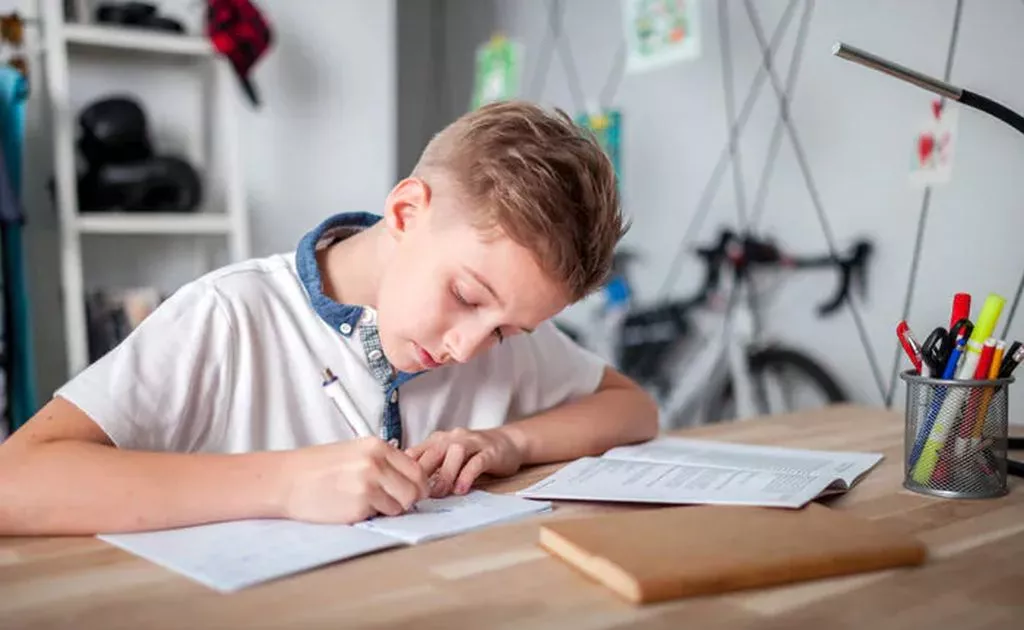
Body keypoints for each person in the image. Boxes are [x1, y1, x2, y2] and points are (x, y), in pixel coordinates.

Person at [0, 101, 659, 535]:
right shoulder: (230, 316)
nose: (468, 347)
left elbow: (632, 409)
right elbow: (14, 482)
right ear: (405, 214)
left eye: (511, 330)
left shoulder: (496, 331)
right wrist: (285, 483)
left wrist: (508, 443)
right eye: (464, 295)